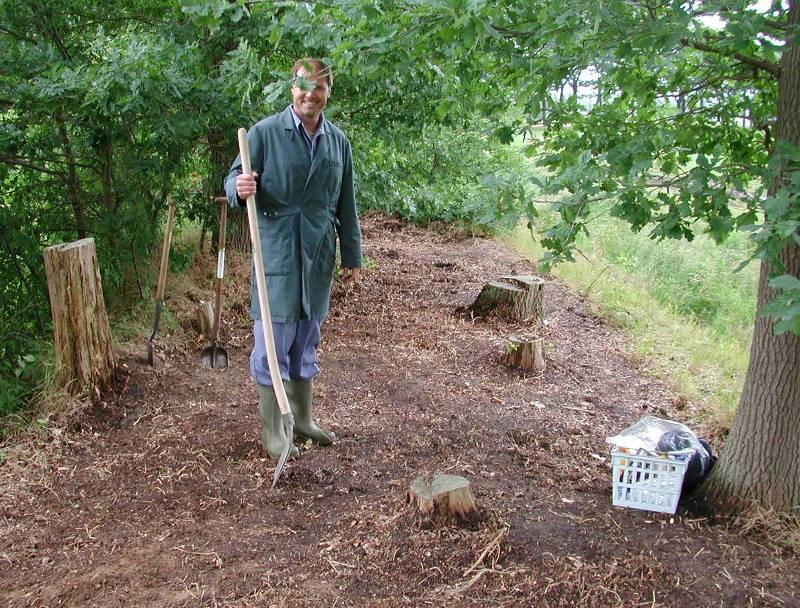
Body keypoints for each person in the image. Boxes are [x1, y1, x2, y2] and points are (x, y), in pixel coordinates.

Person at [224, 57, 362, 461]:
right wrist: (240, 184)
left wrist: (352, 253)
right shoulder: (264, 133)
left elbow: (346, 203)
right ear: (292, 90)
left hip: (318, 252)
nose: (309, 93)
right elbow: (233, 179)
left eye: (318, 87)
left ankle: (303, 420)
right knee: (272, 344)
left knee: (306, 341)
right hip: (277, 251)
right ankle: (275, 432)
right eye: (303, 86)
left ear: (328, 92)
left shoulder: (338, 142)